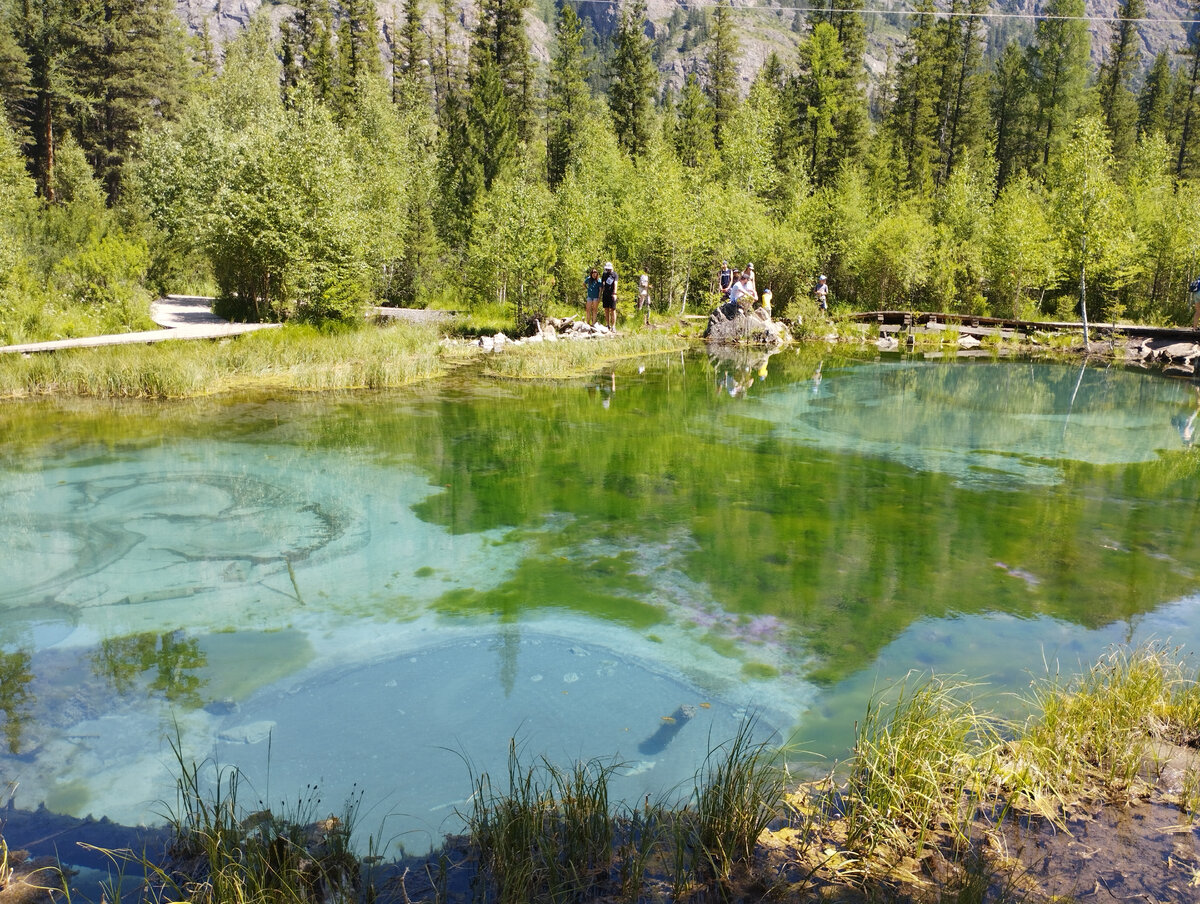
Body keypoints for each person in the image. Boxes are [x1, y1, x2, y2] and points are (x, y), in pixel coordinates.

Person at [600, 262, 618, 330]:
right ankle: (607, 325)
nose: (607, 270)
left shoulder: (615, 274)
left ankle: (613, 326)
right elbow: (602, 284)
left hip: (612, 294)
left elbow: (615, 284)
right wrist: (601, 294)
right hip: (605, 294)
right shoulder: (604, 274)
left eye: (608, 269)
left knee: (613, 310)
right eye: (606, 269)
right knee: (606, 309)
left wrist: (614, 293)